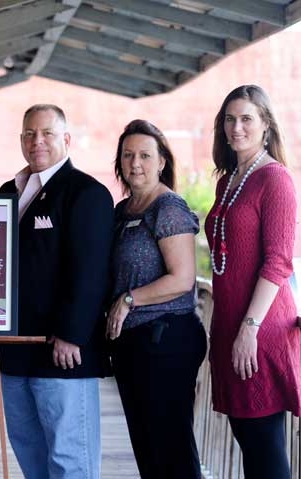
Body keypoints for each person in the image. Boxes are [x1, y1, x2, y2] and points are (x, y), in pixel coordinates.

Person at [0, 104, 113, 479]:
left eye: (46, 133)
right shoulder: (5, 192)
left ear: (66, 139)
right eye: (29, 134)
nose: (37, 141)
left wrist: (72, 334)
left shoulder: (86, 193)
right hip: (14, 349)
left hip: (63, 352)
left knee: (69, 457)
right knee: (30, 454)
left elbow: (91, 270)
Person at [206, 85, 301, 479]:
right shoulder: (227, 181)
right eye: (230, 119)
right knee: (246, 440)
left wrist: (250, 329)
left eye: (246, 118)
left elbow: (278, 262)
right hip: (230, 325)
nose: (236, 127)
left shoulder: (275, 179)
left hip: (260, 328)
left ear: (265, 125)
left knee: (265, 449)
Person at [107, 119, 206, 478]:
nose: (136, 163)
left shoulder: (168, 208)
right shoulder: (122, 212)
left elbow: (181, 279)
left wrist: (129, 300)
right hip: (132, 346)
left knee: (172, 449)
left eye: (145, 155)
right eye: (128, 155)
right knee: (147, 448)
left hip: (167, 341)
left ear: (162, 161)